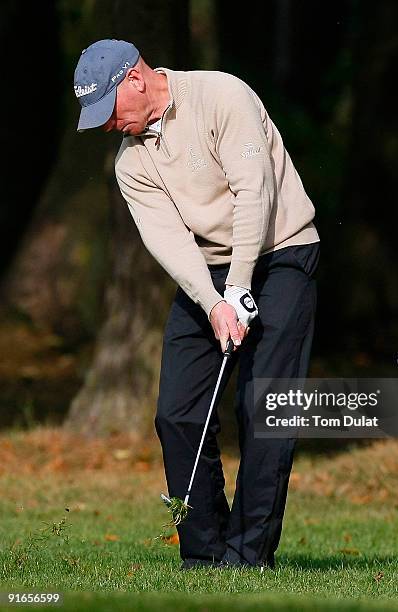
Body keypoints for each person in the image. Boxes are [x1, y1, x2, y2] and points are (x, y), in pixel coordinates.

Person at [74, 39, 320, 570]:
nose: (107, 125)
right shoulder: (130, 165)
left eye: (109, 110)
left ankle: (249, 555)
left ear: (135, 79)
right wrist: (214, 302)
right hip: (207, 272)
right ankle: (205, 553)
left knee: (264, 412)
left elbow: (253, 192)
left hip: (282, 252)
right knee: (177, 414)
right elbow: (170, 243)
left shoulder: (221, 96)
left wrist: (241, 286)